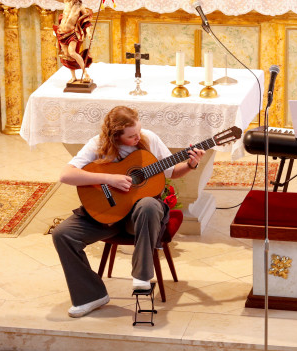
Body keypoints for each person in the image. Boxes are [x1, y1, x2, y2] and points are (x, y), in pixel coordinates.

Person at [52, 106, 204, 318]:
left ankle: (141, 277)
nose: (138, 137)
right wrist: (109, 179)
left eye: (138, 132)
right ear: (115, 136)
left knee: (149, 205)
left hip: (141, 218)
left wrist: (190, 164)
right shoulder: (98, 144)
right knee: (62, 234)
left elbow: (172, 172)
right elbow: (66, 175)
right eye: (131, 136)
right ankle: (90, 295)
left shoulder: (149, 139)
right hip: (108, 216)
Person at [53, 0, 94, 83]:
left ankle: (85, 73)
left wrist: (89, 32)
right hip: (61, 33)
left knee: (72, 52)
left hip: (72, 33)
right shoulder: (66, 2)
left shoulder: (80, 6)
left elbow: (86, 21)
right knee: (67, 55)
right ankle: (73, 77)